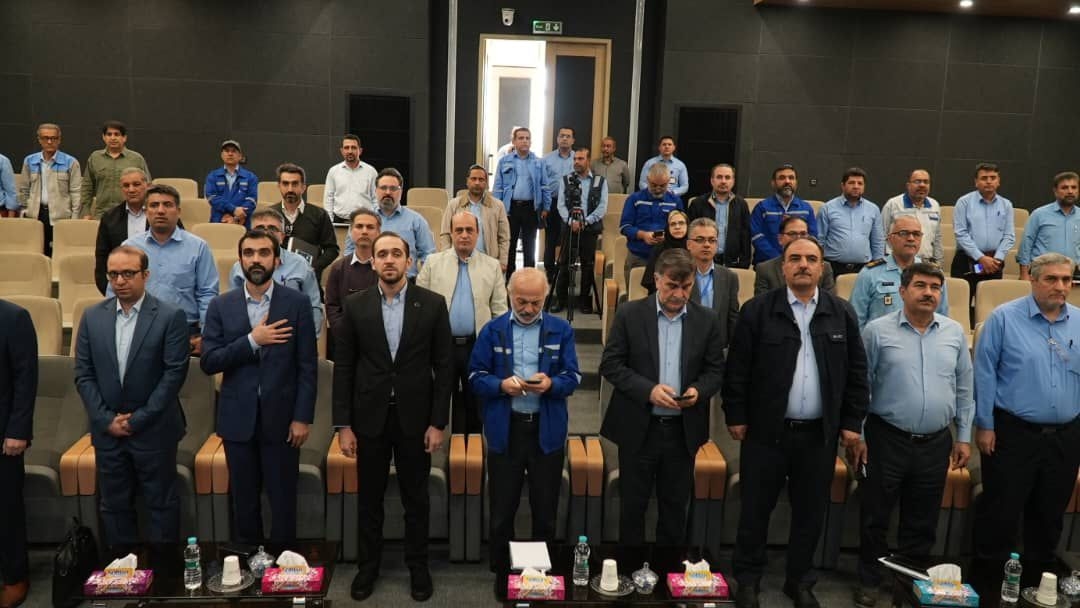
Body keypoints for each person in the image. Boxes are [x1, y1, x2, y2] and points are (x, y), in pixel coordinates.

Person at [723, 236, 868, 608]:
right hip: (765, 433)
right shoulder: (757, 311)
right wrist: (736, 415)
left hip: (819, 436)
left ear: (822, 268)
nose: (804, 264)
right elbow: (737, 370)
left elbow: (857, 373)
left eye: (811, 259)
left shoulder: (841, 313)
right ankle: (748, 580)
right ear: (783, 266)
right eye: (796, 258)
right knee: (755, 510)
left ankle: (800, 581)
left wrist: (852, 422)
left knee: (810, 513)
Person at [333, 232, 452, 602]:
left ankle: (418, 566)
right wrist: (343, 425)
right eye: (382, 254)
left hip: (416, 420)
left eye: (396, 254)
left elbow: (444, 367)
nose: (389, 260)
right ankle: (368, 567)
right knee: (369, 499)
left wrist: (438, 422)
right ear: (373, 261)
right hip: (369, 419)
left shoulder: (432, 304)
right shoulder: (355, 305)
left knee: (416, 499)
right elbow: (344, 368)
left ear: (409, 261)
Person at [851, 262, 973, 608]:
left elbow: (965, 387)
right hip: (884, 438)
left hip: (935, 442)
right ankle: (870, 580)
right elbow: (861, 387)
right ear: (903, 291)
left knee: (922, 519)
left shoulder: (953, 333)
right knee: (875, 515)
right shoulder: (876, 331)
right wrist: (859, 435)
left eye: (935, 287)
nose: (928, 293)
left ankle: (908, 584)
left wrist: (963, 436)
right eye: (920, 285)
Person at [599, 248, 726, 545]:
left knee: (675, 509)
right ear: (657, 280)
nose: (679, 294)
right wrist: (649, 391)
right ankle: (630, 567)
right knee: (633, 507)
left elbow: (715, 371)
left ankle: (668, 568)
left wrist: (698, 390)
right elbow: (611, 365)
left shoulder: (706, 320)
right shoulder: (630, 313)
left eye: (686, 287)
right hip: (639, 428)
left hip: (682, 432)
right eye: (672, 286)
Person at [201, 229, 317, 544]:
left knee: (283, 501)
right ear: (240, 260)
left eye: (264, 253)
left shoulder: (297, 303)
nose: (256, 259)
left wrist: (302, 417)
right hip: (237, 422)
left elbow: (307, 366)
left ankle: (282, 563)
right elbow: (209, 361)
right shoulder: (221, 306)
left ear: (277, 260)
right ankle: (249, 562)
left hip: (283, 421)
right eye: (249, 253)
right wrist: (253, 340)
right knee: (244, 502)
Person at [74, 246, 190, 550]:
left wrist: (137, 420)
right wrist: (106, 420)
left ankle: (163, 573)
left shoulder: (170, 316)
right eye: (113, 274)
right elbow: (83, 374)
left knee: (161, 505)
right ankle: (122, 572)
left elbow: (173, 375)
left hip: (155, 430)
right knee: (113, 507)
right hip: (108, 432)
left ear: (145, 275)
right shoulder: (92, 317)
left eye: (128, 273)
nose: (120, 281)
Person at [469, 267, 580, 581]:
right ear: (509, 295)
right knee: (502, 509)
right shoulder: (492, 330)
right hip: (507, 430)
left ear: (545, 297)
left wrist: (551, 384)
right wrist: (501, 386)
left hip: (547, 431)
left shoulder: (561, 329)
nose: (529, 309)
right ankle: (502, 571)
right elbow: (475, 376)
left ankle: (541, 572)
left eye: (536, 302)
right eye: (521, 301)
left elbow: (573, 377)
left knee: (545, 510)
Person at [973, 253, 1080, 564]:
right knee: (1000, 515)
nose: (1060, 286)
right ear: (1032, 280)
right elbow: (985, 374)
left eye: (1066, 279)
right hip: (1012, 434)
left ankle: (1035, 584)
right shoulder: (1003, 319)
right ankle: (990, 581)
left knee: (1049, 517)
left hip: (1066, 437)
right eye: (1051, 279)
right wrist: (985, 424)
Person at [418, 211, 509, 434]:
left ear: (478, 234)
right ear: (451, 233)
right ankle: (440, 448)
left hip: (477, 346)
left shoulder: (492, 266)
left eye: (470, 230)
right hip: (441, 346)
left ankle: (474, 448)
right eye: (459, 230)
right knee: (438, 401)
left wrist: (495, 348)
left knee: (476, 402)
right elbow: (418, 307)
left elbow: (500, 312)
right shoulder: (432, 263)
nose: (464, 235)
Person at [120, 184, 219, 354]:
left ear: (178, 211)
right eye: (154, 205)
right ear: (146, 211)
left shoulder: (198, 247)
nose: (160, 211)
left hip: (185, 332)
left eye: (167, 205)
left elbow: (207, 293)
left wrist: (207, 334)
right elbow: (116, 292)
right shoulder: (129, 248)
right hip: (136, 330)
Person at [228, 209, 323, 336]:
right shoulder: (239, 267)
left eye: (272, 229)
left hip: (291, 337)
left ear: (282, 237)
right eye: (259, 229)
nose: (266, 233)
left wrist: (308, 339)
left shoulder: (300, 264)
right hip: (249, 337)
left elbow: (314, 307)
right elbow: (233, 309)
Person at [0, 299, 37, 608]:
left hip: (4, 436)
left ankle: (15, 577)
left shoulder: (13, 317)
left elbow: (26, 379)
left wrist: (18, 430)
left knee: (6, 508)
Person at [850, 215, 948, 330]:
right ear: (890, 239)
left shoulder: (933, 274)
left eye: (916, 234)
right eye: (904, 233)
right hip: (882, 339)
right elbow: (856, 320)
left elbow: (942, 318)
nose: (911, 238)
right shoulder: (870, 273)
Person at [553, 146, 607, 313]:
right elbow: (561, 205)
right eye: (575, 159)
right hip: (570, 227)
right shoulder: (566, 180)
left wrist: (586, 221)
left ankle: (584, 301)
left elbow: (602, 207)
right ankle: (560, 300)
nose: (576, 162)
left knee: (587, 265)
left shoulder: (600, 181)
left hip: (589, 229)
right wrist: (571, 221)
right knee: (564, 264)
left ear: (588, 160)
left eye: (581, 159)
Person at [493, 127, 550, 279]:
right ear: (514, 141)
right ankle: (509, 280)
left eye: (527, 138)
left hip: (531, 208)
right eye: (521, 138)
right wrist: (497, 208)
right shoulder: (504, 161)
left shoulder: (538, 162)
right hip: (510, 208)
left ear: (530, 141)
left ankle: (529, 279)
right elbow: (498, 186)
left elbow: (545, 185)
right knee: (509, 245)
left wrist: (546, 207)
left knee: (529, 246)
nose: (524, 141)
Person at [18, 122, 82, 256]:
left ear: (59, 139)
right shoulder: (29, 161)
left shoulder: (71, 162)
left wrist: (75, 218)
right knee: (36, 253)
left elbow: (76, 192)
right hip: (35, 215)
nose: (49, 141)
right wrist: (25, 210)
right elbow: (24, 189)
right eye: (45, 138)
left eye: (53, 138)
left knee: (59, 253)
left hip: (61, 217)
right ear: (39, 139)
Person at [951, 162, 1015, 292]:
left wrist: (997, 259)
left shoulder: (1006, 204)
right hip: (967, 262)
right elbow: (960, 233)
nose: (989, 181)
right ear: (976, 182)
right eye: (984, 178)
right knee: (963, 300)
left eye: (993, 178)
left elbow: (1009, 235)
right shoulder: (964, 202)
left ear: (998, 181)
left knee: (991, 301)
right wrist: (980, 258)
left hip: (995, 263)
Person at [271, 163, 340, 281]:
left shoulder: (319, 215)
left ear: (303, 187)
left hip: (309, 280)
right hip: (276, 280)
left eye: (295, 184)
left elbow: (332, 249)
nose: (290, 189)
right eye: (285, 184)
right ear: (279, 186)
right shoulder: (269, 215)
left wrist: (314, 267)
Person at [363, 168, 434, 278]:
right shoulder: (364, 220)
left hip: (407, 281)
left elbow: (429, 257)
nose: (388, 192)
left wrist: (421, 282)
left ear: (401, 191)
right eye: (383, 188)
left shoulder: (416, 221)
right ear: (376, 191)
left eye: (393, 188)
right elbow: (350, 253)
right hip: (369, 281)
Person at [439, 165, 510, 271]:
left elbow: (504, 238)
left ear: (486, 183)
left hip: (489, 262)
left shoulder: (498, 206)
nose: (477, 182)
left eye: (481, 179)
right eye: (473, 179)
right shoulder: (453, 205)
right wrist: (446, 260)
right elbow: (445, 234)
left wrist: (503, 262)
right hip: (459, 262)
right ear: (467, 181)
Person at [619, 163, 684, 280]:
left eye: (662, 185)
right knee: (635, 290)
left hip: (666, 259)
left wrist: (667, 236)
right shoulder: (634, 199)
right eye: (654, 185)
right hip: (638, 256)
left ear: (668, 181)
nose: (658, 189)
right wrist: (643, 235)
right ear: (647, 180)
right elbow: (624, 227)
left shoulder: (675, 201)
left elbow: (681, 229)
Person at [817, 167, 884, 277]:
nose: (856, 186)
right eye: (851, 182)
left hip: (864, 268)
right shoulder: (827, 208)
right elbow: (820, 240)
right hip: (833, 267)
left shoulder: (873, 209)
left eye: (860, 183)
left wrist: (878, 267)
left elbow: (877, 241)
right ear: (843, 185)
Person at [685, 218, 740, 348]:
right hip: (687, 346)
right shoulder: (679, 275)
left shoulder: (729, 277)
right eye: (700, 240)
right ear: (688, 244)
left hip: (717, 348)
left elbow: (732, 319)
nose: (706, 245)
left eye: (712, 240)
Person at [95, 167, 150, 294]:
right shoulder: (109, 218)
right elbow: (102, 258)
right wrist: (109, 291)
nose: (131, 189)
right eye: (126, 185)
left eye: (136, 184)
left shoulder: (161, 214)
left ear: (147, 186)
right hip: (121, 288)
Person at [686, 163, 752, 268]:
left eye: (727, 177)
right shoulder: (697, 204)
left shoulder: (741, 204)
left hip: (732, 263)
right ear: (712, 180)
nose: (723, 181)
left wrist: (744, 263)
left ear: (733, 181)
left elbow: (746, 236)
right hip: (702, 262)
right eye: (719, 177)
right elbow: (689, 234)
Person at [325, 208, 380, 334]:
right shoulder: (338, 268)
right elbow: (332, 306)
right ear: (350, 231)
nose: (364, 231)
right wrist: (342, 332)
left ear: (378, 232)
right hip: (346, 336)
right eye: (359, 226)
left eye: (370, 227)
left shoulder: (385, 267)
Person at [80, 120, 151, 219]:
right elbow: (87, 187)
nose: (113, 138)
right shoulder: (95, 158)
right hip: (102, 215)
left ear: (124, 138)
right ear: (104, 137)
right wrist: (86, 212)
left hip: (130, 214)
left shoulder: (136, 159)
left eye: (117, 134)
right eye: (109, 134)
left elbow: (148, 186)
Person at [749, 164, 818, 265]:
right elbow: (756, 237)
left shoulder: (806, 209)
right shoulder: (762, 207)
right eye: (782, 178)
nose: (787, 181)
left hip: (799, 263)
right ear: (773, 183)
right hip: (767, 263)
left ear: (796, 183)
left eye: (791, 178)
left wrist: (796, 257)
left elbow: (812, 236)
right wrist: (779, 258)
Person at [1018, 171, 1080, 280]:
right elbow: (1026, 244)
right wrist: (1024, 274)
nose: (1070, 191)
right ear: (1055, 191)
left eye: (1074, 187)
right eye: (1064, 188)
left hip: (1072, 274)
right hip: (1042, 272)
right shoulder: (1039, 214)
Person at [754, 216, 836, 296]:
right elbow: (762, 303)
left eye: (803, 234)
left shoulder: (825, 267)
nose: (798, 238)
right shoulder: (765, 269)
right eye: (792, 234)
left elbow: (830, 302)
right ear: (780, 239)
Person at [880, 169, 943, 264]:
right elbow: (882, 235)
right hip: (899, 262)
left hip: (926, 263)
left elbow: (937, 238)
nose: (922, 185)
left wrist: (938, 263)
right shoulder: (893, 204)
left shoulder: (935, 205)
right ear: (908, 185)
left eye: (926, 182)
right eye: (917, 181)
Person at [542, 127, 576, 286]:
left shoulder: (578, 159)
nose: (564, 139)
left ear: (573, 140)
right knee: (551, 238)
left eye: (568, 136)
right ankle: (549, 272)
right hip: (552, 202)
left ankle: (565, 274)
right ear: (557, 139)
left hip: (571, 204)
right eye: (562, 136)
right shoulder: (547, 159)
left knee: (568, 239)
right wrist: (544, 205)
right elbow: (542, 183)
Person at [325, 134, 378, 222]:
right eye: (346, 148)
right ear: (342, 151)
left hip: (364, 221)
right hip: (339, 220)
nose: (350, 151)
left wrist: (376, 220)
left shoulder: (371, 171)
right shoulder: (333, 171)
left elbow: (376, 199)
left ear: (360, 151)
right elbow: (328, 198)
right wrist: (329, 222)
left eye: (353, 148)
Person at [204, 140, 258, 227]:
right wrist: (233, 210)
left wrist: (236, 218)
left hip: (242, 223)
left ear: (240, 156)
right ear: (222, 155)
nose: (230, 154)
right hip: (218, 221)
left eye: (234, 151)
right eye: (227, 151)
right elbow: (212, 198)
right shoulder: (212, 176)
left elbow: (252, 201)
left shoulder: (251, 177)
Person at [641, 210, 688, 295]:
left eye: (681, 223)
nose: (677, 227)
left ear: (687, 225)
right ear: (667, 227)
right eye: (673, 224)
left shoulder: (693, 247)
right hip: (664, 295)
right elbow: (651, 280)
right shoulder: (659, 249)